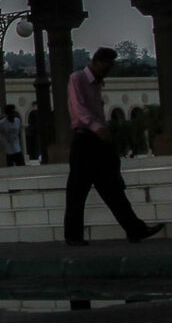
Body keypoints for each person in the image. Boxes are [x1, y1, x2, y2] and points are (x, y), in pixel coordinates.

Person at [64, 48, 165, 246]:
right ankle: (73, 235)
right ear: (98, 62)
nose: (109, 70)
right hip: (85, 139)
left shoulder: (97, 83)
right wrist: (96, 127)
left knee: (112, 187)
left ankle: (135, 229)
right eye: (108, 65)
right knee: (78, 189)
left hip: (97, 139)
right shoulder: (78, 79)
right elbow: (79, 108)